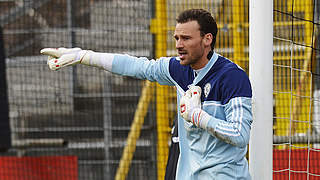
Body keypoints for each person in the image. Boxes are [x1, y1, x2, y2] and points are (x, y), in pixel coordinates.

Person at [41, 9, 252, 179]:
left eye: (186, 38)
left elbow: (239, 135)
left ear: (207, 39)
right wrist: (84, 56)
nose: (178, 45)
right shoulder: (178, 69)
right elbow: (137, 66)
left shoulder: (232, 77)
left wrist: (198, 116)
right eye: (176, 38)